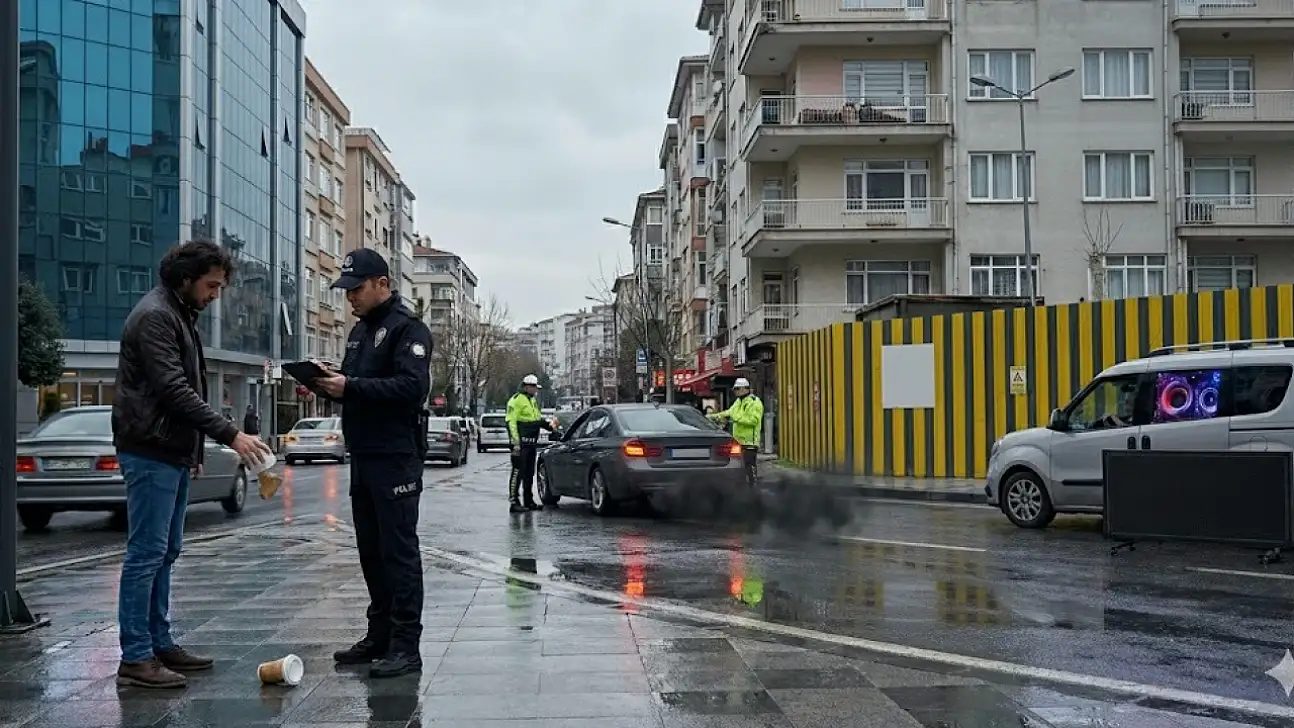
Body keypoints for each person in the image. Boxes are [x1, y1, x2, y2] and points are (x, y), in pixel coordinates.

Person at [111, 240, 272, 689]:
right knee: (146, 554)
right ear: (186, 277)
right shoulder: (157, 316)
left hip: (169, 451)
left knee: (166, 551)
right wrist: (231, 435)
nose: (216, 294)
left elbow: (185, 393)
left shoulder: (179, 313)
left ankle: (159, 643)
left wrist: (193, 454)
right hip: (148, 450)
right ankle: (136, 656)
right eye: (211, 284)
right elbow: (174, 391)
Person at [312, 248, 433, 679]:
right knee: (370, 551)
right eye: (346, 291)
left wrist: (351, 386)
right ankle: (379, 634)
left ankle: (405, 645)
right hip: (363, 454)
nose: (350, 299)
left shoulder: (407, 329)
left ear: (383, 283)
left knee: (398, 552)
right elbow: (357, 386)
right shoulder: (360, 333)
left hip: (395, 456)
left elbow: (409, 387)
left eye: (357, 289)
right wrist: (328, 384)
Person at [505, 374, 555, 513]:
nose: (536, 391)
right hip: (520, 444)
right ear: (527, 387)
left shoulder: (532, 401)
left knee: (529, 474)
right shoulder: (516, 400)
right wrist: (515, 443)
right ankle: (514, 501)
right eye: (534, 388)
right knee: (517, 473)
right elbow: (511, 422)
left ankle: (528, 500)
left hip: (532, 443)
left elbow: (537, 419)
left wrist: (549, 426)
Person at [708, 378, 765, 484]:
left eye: (738, 389)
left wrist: (735, 418)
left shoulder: (754, 403)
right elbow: (729, 412)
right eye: (735, 389)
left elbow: (753, 421)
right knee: (740, 469)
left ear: (745, 389)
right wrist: (713, 417)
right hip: (738, 441)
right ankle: (745, 491)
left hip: (749, 442)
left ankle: (754, 491)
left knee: (749, 468)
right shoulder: (739, 401)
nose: (736, 391)